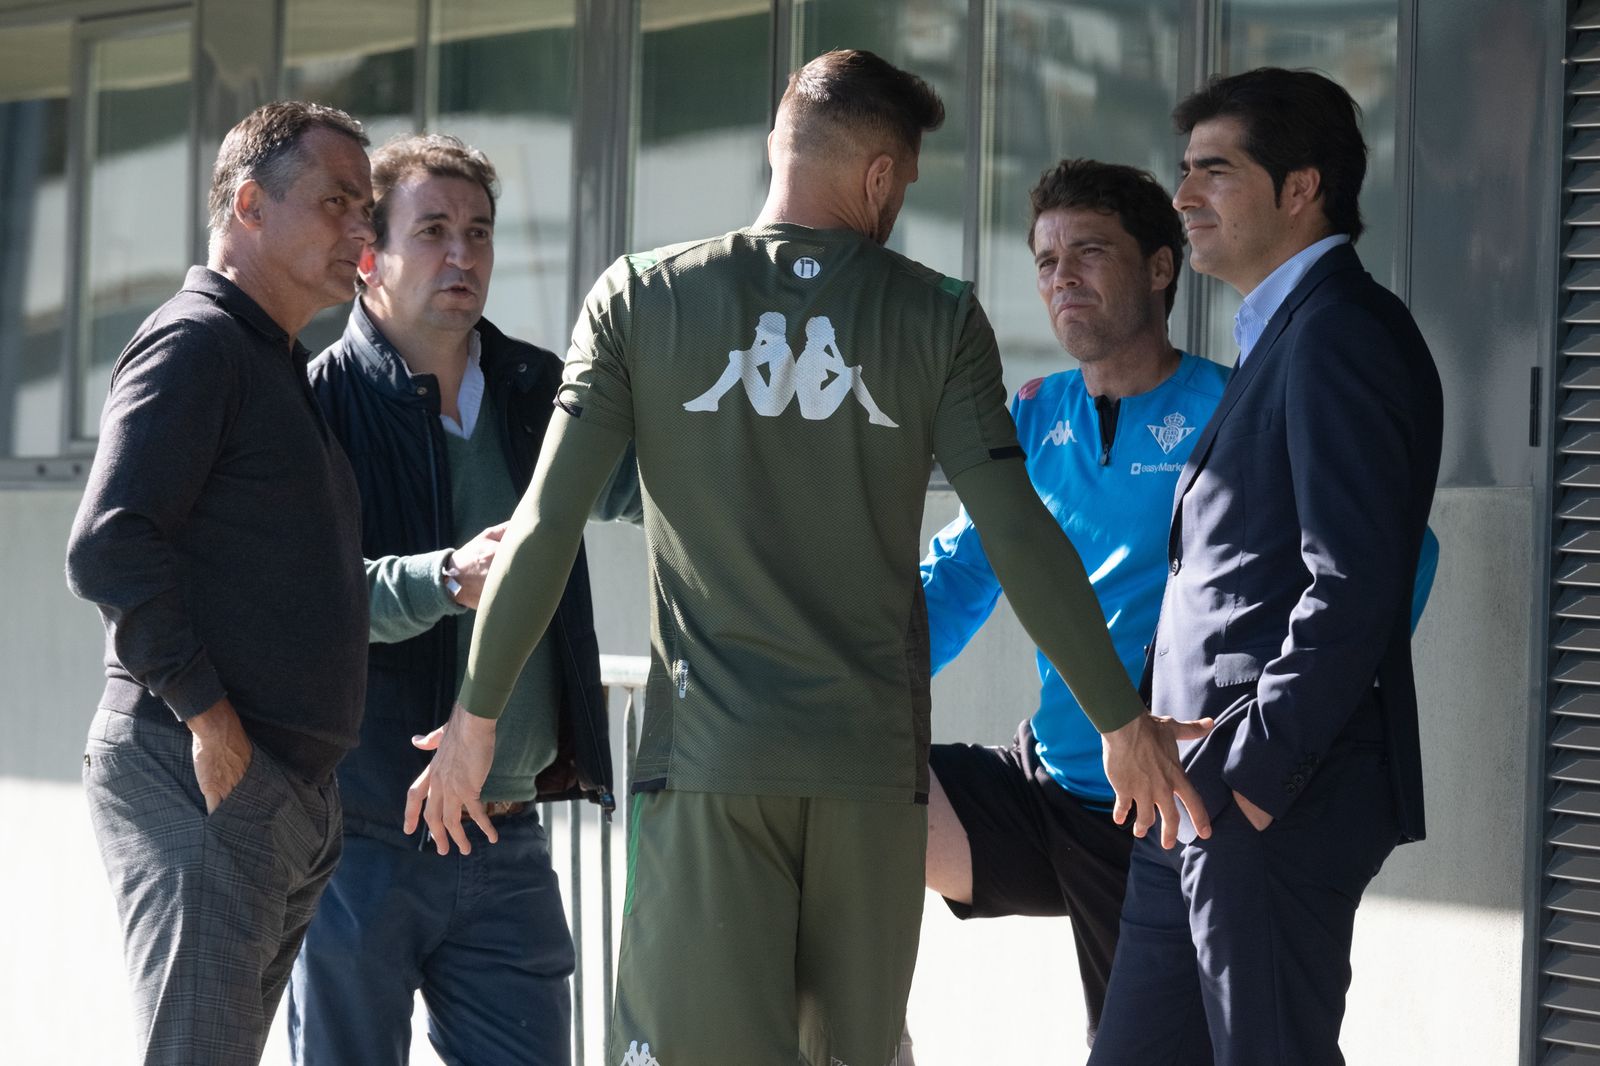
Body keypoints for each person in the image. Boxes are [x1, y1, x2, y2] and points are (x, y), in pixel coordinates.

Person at [410, 49, 1209, 1066]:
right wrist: (1121, 723)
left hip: (708, 766)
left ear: (773, 148)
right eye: (904, 183)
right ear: (877, 175)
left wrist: (476, 721)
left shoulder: (640, 295)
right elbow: (1017, 533)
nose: (899, 207)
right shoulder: (937, 313)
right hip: (870, 775)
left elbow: (543, 526)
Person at [919, 159, 1440, 1047]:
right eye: (1045, 260)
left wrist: (1277, 742)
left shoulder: (1232, 402)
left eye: (1089, 251)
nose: (1061, 277)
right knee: (855, 778)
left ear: (1161, 267)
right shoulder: (1034, 417)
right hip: (1051, 788)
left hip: (1176, 812)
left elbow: (1399, 562)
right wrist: (845, 681)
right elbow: (960, 576)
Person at [1087, 68, 1444, 1065]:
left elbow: (1354, 580)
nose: (1182, 196)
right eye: (1183, 170)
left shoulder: (1341, 334)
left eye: (1215, 171)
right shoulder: (1284, 331)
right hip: (1194, 804)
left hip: (1269, 800)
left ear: (1300, 188)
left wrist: (1255, 773)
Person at [287, 133, 633, 1066]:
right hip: (360, 835)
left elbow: (652, 490)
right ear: (369, 256)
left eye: (478, 232)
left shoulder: (543, 389)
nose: (462, 255)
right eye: (433, 230)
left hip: (508, 832)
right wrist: (443, 578)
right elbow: (307, 605)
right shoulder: (314, 403)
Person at [64, 102, 375, 1066]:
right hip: (199, 768)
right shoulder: (196, 341)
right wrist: (212, 722)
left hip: (275, 792)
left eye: (367, 210)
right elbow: (108, 546)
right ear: (249, 204)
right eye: (336, 202)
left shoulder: (274, 361)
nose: (361, 232)